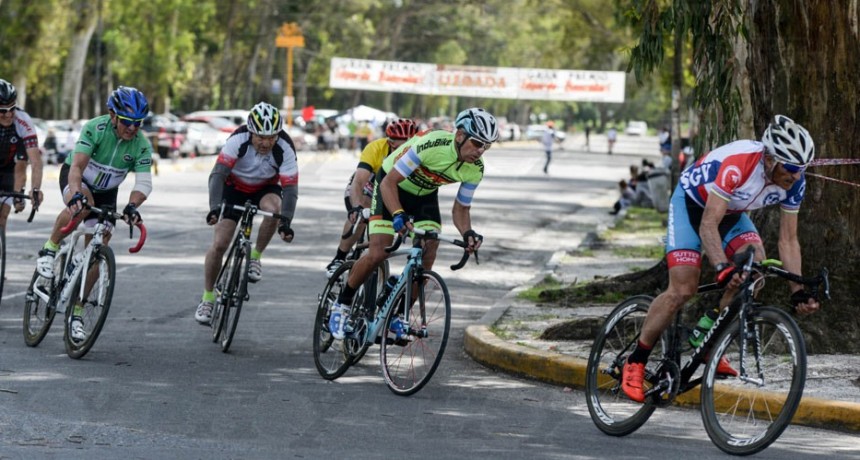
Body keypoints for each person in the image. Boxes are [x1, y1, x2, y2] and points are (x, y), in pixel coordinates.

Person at [621, 114, 821, 403]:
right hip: (693, 206)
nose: (797, 175)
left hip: (730, 214)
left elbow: (788, 240)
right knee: (683, 289)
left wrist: (797, 291)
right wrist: (722, 267)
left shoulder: (794, 184)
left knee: (755, 270)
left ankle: (707, 340)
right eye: (791, 167)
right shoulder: (739, 164)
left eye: (802, 169)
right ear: (769, 159)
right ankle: (636, 361)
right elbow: (707, 225)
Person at [327, 107, 495, 340]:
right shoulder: (432, 144)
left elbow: (461, 208)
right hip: (391, 186)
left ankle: (395, 313)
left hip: (425, 195)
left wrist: (467, 233)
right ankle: (342, 305)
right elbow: (388, 183)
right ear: (459, 135)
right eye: (477, 143)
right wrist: (397, 213)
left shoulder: (476, 169)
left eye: (487, 145)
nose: (480, 150)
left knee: (427, 257)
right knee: (378, 252)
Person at [35, 86, 152, 341]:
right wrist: (75, 193)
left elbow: (143, 183)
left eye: (137, 123)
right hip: (79, 179)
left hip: (108, 191)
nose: (132, 128)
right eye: (127, 122)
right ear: (113, 115)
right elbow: (76, 166)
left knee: (100, 245)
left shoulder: (142, 144)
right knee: (82, 207)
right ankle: (50, 248)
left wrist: (132, 206)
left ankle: (77, 311)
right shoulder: (95, 128)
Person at [195, 102, 299, 324]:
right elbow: (217, 175)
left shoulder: (285, 147)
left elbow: (290, 189)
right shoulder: (238, 140)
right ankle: (208, 297)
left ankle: (255, 257)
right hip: (233, 188)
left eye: (271, 137)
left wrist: (285, 223)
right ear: (251, 132)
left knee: (274, 210)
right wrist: (215, 207)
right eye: (260, 137)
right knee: (220, 244)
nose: (266, 142)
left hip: (265, 188)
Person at [324, 119, 419, 278]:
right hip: (367, 189)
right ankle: (339, 258)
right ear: (390, 142)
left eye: (409, 146)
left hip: (391, 192)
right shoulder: (375, 148)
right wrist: (357, 207)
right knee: (363, 212)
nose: (404, 151)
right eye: (400, 146)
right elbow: (359, 181)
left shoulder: (420, 152)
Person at [0, 79, 43, 230]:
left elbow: (36, 161)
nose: (8, 114)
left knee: (2, 217)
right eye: (2, 111)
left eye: (12, 109)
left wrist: (35, 189)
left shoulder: (23, 120)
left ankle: (18, 194)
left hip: (11, 166)